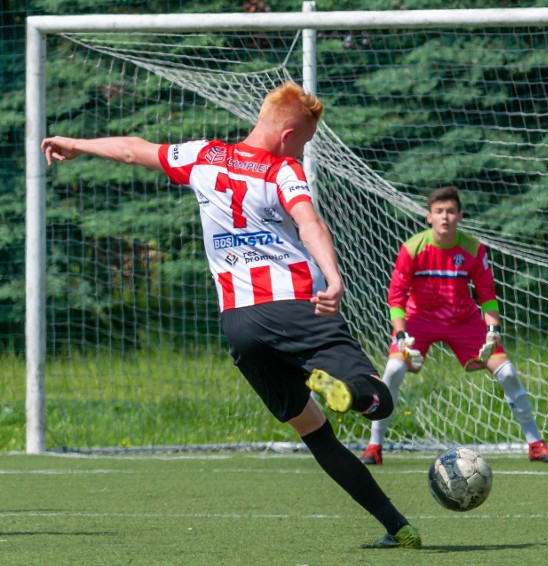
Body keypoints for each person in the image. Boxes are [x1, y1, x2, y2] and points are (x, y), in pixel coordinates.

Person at [41, 81, 421, 550]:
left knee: (315, 433)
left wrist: (75, 144)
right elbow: (309, 222)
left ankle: (397, 526)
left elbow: (130, 150)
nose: (301, 149)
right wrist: (334, 276)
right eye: (303, 141)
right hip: (296, 306)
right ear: (287, 136)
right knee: (380, 399)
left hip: (240, 325)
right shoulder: (283, 169)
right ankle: (350, 392)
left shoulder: (203, 156)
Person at [360, 186, 548, 466]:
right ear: (429, 217)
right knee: (393, 369)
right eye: (439, 212)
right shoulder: (412, 248)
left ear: (460, 216)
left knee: (507, 373)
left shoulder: (472, 249)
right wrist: (402, 334)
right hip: (419, 320)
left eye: (451, 212)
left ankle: (536, 444)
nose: (445, 217)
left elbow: (488, 296)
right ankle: (374, 447)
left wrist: (493, 331)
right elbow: (396, 296)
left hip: (463, 320)